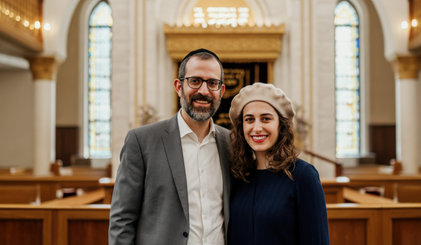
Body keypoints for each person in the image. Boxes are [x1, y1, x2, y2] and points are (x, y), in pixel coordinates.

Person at [109, 48, 231, 245]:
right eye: (195, 81)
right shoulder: (142, 142)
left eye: (212, 83)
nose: (203, 91)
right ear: (178, 86)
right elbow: (122, 220)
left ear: (221, 91)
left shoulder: (231, 144)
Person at [227, 83, 330, 245]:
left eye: (266, 119)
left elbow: (317, 240)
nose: (257, 127)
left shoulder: (303, 175)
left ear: (280, 125)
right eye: (249, 120)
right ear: (242, 127)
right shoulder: (238, 176)